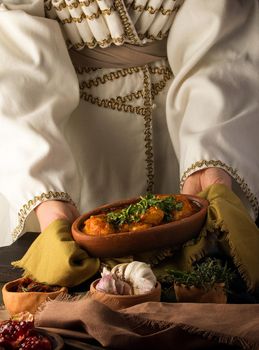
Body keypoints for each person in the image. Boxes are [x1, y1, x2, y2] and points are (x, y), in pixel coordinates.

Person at [0, 0, 258, 249]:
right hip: (63, 140)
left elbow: (223, 38)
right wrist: (42, 181)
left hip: (183, 130)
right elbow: (15, 61)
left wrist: (211, 150)